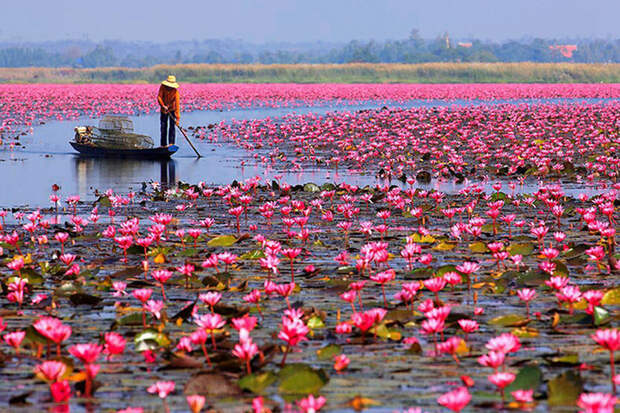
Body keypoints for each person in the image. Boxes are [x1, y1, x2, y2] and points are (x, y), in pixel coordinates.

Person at [157, 75, 180, 147]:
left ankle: (171, 143)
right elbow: (159, 97)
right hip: (163, 109)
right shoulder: (162, 87)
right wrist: (163, 105)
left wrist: (178, 118)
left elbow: (177, 104)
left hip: (172, 109)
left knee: (172, 126)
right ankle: (163, 144)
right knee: (163, 127)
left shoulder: (175, 91)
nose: (170, 87)